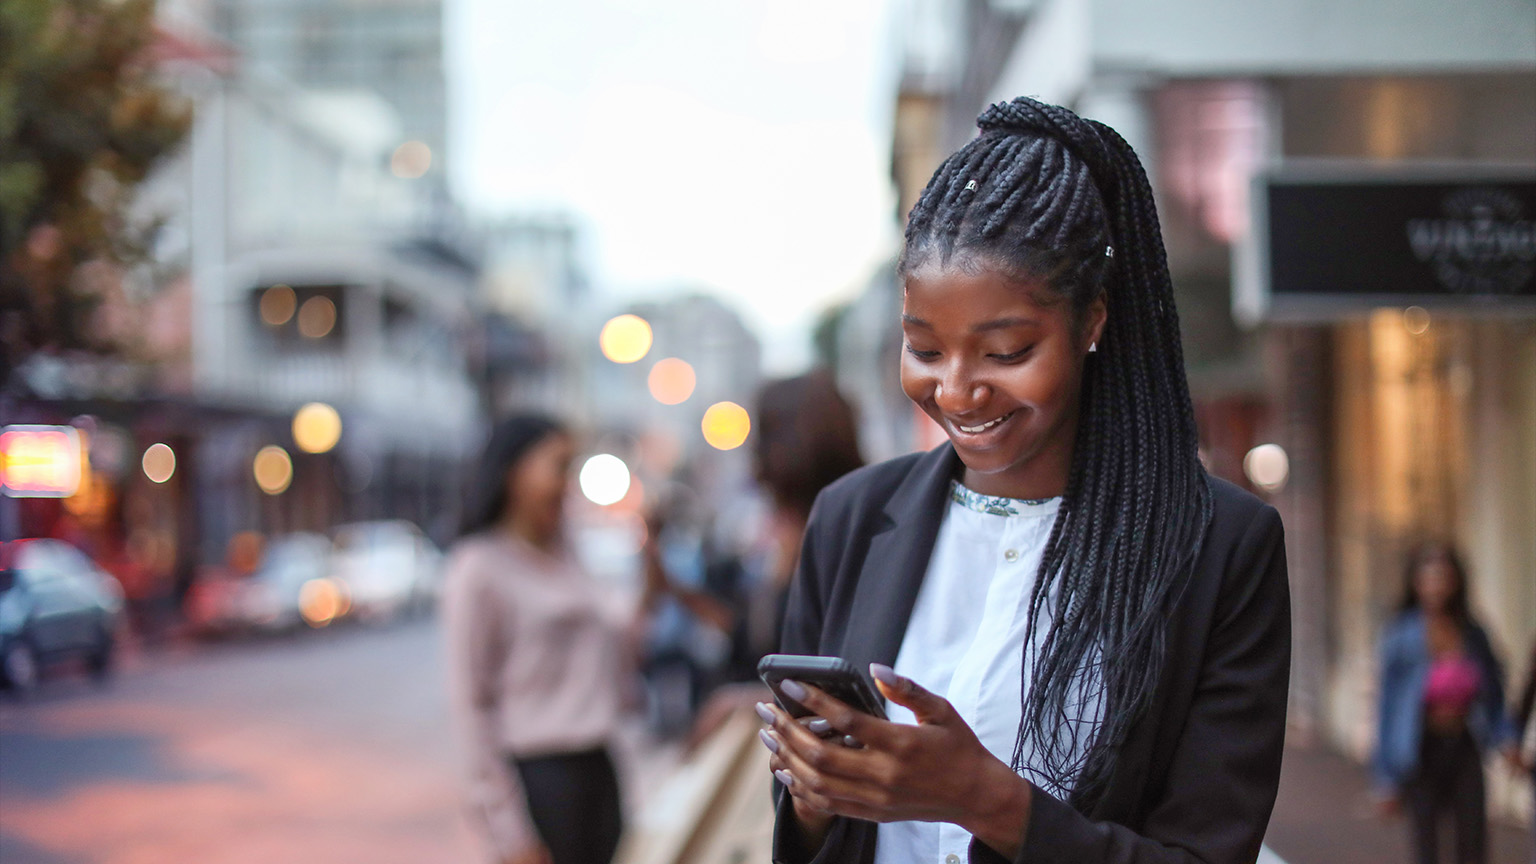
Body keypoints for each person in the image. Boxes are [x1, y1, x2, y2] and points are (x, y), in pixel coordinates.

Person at [753, 96, 1291, 863]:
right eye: (926, 350)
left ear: (1092, 321)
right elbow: (808, 842)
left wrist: (983, 799)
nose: (958, 392)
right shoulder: (852, 518)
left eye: (1005, 352)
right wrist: (813, 793)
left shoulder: (1220, 547)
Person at [443, 414, 629, 864]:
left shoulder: (569, 552)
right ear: (513, 471)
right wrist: (509, 833)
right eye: (559, 466)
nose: (568, 483)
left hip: (599, 769)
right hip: (541, 783)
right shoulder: (478, 567)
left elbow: (617, 641)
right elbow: (471, 705)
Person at [1374, 543, 1514, 864]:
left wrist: (1506, 737)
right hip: (1421, 750)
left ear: (1456, 581)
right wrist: (1385, 781)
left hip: (1464, 746)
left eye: (1444, 575)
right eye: (1429, 575)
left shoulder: (1473, 633)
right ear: (1416, 581)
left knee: (1473, 844)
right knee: (1427, 849)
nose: (1437, 583)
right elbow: (1387, 709)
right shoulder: (1401, 634)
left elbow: (1494, 692)